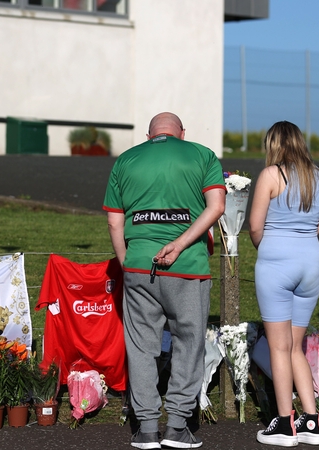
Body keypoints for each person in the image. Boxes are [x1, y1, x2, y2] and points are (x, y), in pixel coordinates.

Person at [103, 112, 226, 449]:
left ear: (149, 134)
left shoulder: (126, 160)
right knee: (189, 343)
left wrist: (126, 261)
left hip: (140, 266)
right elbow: (216, 207)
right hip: (188, 267)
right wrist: (181, 244)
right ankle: (176, 427)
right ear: (181, 133)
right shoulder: (202, 155)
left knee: (141, 346)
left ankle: (145, 428)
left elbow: (115, 222)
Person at [249, 121, 319, 447]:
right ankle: (311, 421)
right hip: (311, 261)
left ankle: (284, 423)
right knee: (295, 346)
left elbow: (255, 226)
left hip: (277, 263)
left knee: (278, 346)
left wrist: (268, 250)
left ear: (274, 144)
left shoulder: (271, 175)